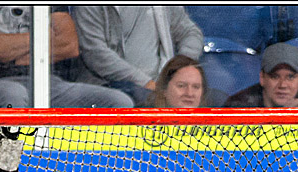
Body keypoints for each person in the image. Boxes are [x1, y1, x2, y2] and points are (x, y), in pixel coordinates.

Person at [0, 6, 133, 109]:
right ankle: (12, 162)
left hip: (49, 83)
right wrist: (46, 35)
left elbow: (70, 45)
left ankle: (87, 164)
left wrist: (10, 49)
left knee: (119, 102)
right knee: (14, 96)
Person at [73, 6, 204, 107]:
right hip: (110, 87)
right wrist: (146, 83)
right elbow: (95, 53)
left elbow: (190, 33)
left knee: (216, 97)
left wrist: (179, 69)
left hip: (162, 86)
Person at [223, 42, 298, 109]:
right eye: (275, 76)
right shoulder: (237, 107)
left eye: (290, 77)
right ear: (262, 78)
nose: (282, 85)